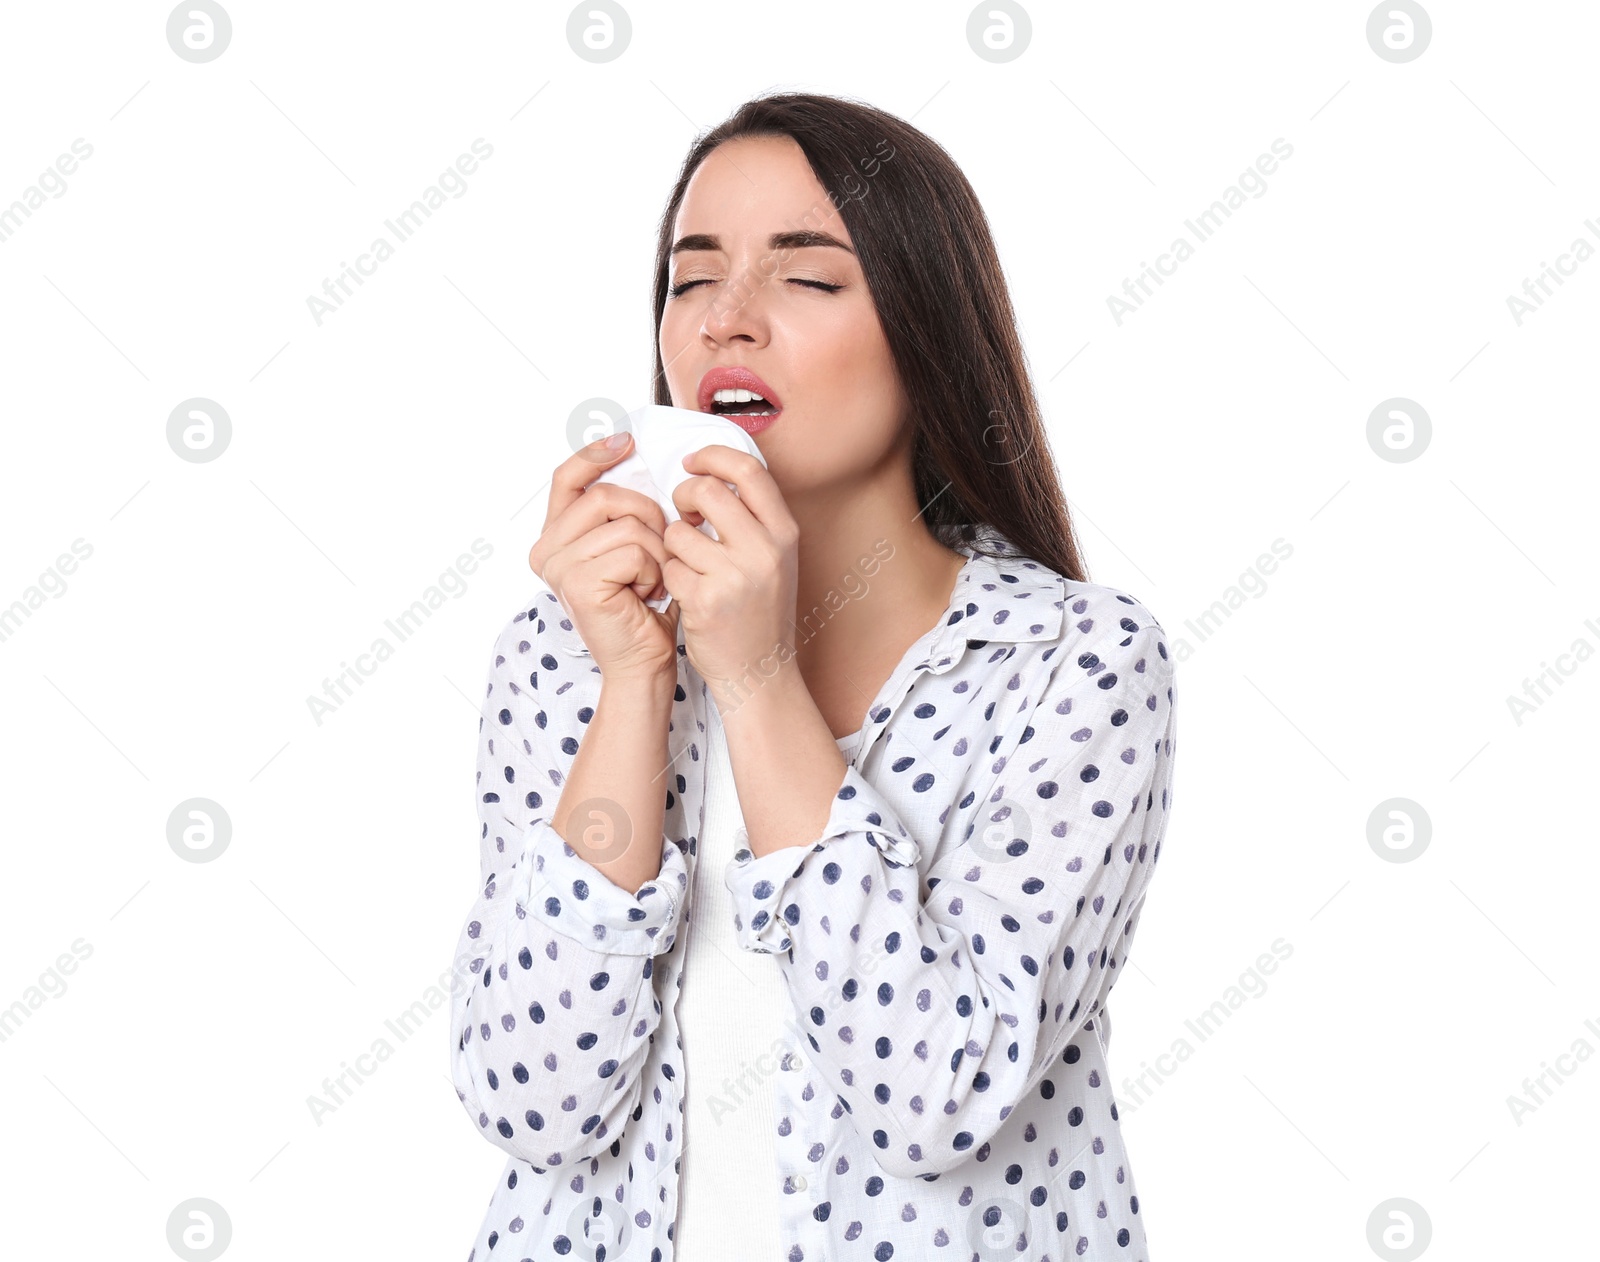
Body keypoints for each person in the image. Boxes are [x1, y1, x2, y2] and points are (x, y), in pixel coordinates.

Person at [450, 90, 1179, 1261]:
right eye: (692, 279)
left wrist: (757, 679)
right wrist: (637, 676)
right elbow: (532, 1101)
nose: (725, 322)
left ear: (926, 331)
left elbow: (933, 1095)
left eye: (807, 278)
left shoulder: (1069, 663)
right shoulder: (561, 652)